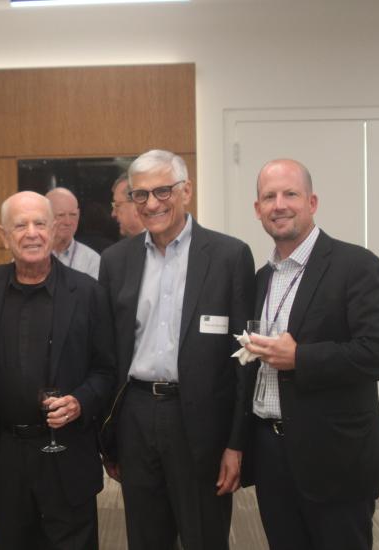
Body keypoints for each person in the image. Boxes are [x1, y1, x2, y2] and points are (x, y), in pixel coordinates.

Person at [242, 159, 379, 550]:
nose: (279, 204)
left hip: (335, 457)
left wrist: (301, 358)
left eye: (290, 194)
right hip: (271, 453)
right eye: (269, 197)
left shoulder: (356, 265)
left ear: (312, 202)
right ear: (258, 209)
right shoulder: (261, 279)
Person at [99, 149, 255, 550]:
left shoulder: (229, 256)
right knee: (145, 537)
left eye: (163, 191)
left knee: (204, 535)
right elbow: (108, 354)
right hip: (136, 416)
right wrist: (109, 436)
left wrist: (237, 442)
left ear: (186, 190)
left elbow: (245, 360)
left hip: (201, 421)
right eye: (140, 194)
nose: (152, 204)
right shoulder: (115, 261)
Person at [0, 191, 115, 550]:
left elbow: (107, 371)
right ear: (3, 235)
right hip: (6, 457)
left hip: (67, 453)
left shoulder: (88, 293)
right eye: (20, 225)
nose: (32, 233)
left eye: (40, 223)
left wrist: (80, 402)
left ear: (54, 230)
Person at [46, 187, 101, 279]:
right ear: (46, 216)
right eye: (61, 215)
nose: (68, 222)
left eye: (73, 215)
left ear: (78, 215)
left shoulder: (92, 260)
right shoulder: (32, 255)